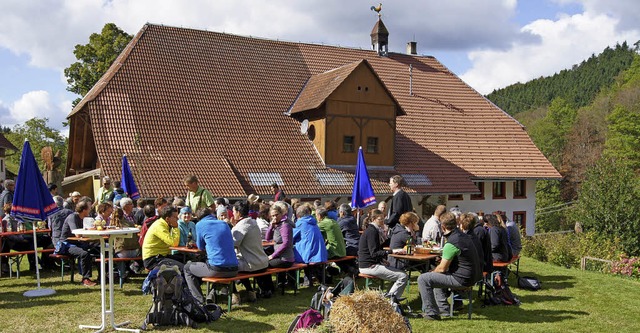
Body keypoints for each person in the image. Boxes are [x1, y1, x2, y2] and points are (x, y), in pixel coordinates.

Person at [417, 212, 482, 320]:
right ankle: (443, 310)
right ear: (456, 223)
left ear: (442, 227)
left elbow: (442, 268)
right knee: (435, 278)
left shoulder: (451, 243)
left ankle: (431, 313)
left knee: (423, 279)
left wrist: (431, 273)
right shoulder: (463, 236)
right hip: (473, 275)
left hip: (462, 279)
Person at [184, 208, 238, 304]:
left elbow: (200, 247)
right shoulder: (224, 224)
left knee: (187, 268)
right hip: (234, 269)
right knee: (211, 262)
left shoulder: (200, 225)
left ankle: (198, 300)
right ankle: (212, 294)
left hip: (217, 269)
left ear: (199, 218)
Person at [359, 209, 408, 301]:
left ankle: (390, 297)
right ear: (373, 219)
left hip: (370, 264)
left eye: (383, 219)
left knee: (398, 273)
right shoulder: (372, 232)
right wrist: (392, 251)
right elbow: (374, 253)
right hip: (369, 266)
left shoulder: (373, 230)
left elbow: (375, 251)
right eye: (380, 219)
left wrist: (382, 260)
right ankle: (391, 301)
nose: (382, 221)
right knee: (403, 276)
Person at [230, 200, 269, 303]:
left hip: (252, 265)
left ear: (238, 212)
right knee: (240, 262)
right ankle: (250, 292)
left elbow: (232, 244)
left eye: (233, 211)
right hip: (262, 262)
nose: (233, 214)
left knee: (227, 267)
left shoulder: (240, 226)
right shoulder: (253, 223)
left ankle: (235, 295)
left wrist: (232, 227)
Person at [257, 203, 295, 297]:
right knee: (262, 263)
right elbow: (267, 237)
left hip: (285, 259)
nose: (274, 217)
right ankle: (269, 288)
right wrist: (271, 225)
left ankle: (268, 290)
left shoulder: (285, 225)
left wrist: (272, 256)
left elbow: (286, 243)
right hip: (280, 256)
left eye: (276, 215)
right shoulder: (277, 224)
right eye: (272, 215)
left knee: (263, 266)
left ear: (281, 214)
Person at [59, 201, 98, 286]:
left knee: (99, 249)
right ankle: (85, 279)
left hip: (79, 243)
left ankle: (104, 275)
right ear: (84, 210)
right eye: (89, 208)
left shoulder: (85, 218)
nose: (90, 210)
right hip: (66, 245)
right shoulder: (72, 217)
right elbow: (77, 234)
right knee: (84, 254)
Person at [293, 204, 328, 287]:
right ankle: (315, 278)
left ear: (298, 215)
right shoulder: (313, 222)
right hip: (320, 253)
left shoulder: (300, 223)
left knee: (290, 256)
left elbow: (291, 237)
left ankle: (293, 281)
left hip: (309, 254)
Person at [141, 205, 183, 270]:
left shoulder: (166, 224)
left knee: (185, 259)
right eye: (175, 217)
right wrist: (175, 228)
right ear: (167, 219)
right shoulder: (159, 226)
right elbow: (173, 243)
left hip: (163, 255)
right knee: (181, 267)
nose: (177, 219)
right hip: (152, 259)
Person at [316, 207, 348, 281]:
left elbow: (313, 230)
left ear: (319, 216)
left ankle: (324, 277)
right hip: (342, 250)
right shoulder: (333, 221)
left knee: (315, 258)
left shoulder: (323, 223)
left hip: (334, 251)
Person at [111, 207, 141, 277]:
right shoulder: (130, 223)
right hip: (135, 252)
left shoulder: (112, 226)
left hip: (121, 253)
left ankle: (117, 272)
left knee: (109, 250)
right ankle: (128, 269)